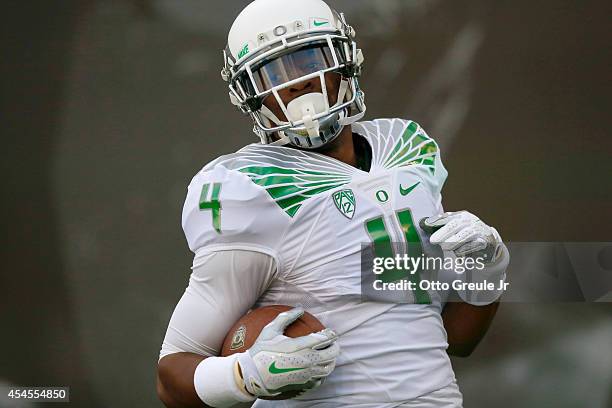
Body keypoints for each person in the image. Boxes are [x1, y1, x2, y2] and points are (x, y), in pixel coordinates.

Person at [157, 0, 509, 407]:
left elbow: (454, 339)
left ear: (344, 59)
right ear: (250, 95)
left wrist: (489, 271)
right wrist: (244, 375)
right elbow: (171, 375)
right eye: (274, 72)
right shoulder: (251, 189)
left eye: (309, 58)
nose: (297, 82)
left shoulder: (407, 151)